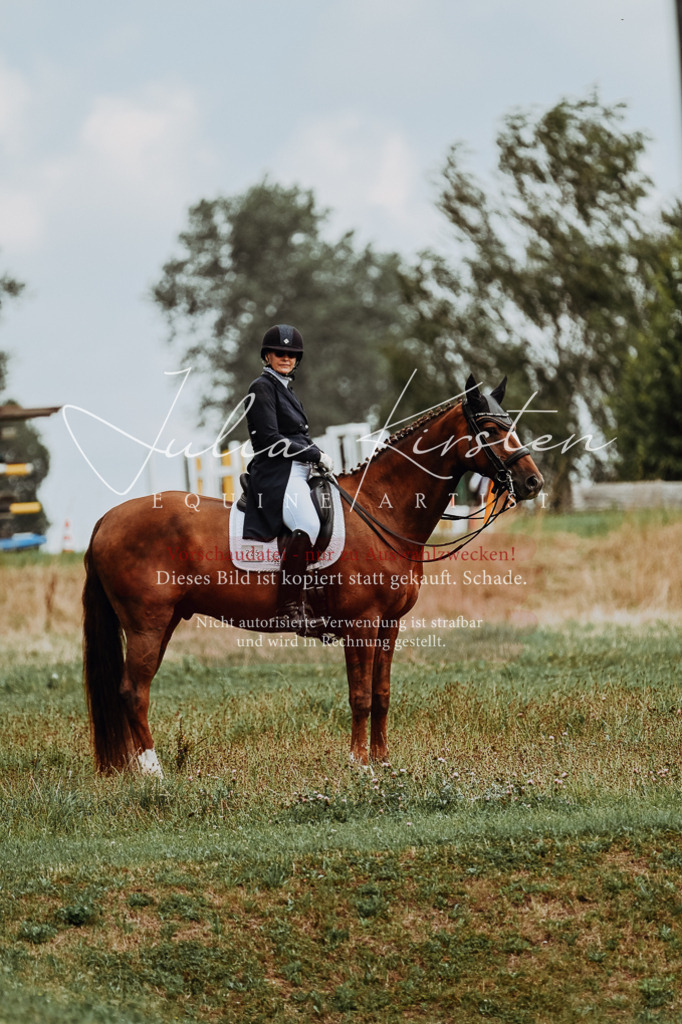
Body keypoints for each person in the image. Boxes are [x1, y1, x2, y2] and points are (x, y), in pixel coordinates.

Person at [243, 324, 334, 635]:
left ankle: (320, 598)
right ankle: (288, 608)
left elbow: (297, 435)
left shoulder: (285, 389)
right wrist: (315, 456)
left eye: (292, 354)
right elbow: (269, 440)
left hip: (298, 470)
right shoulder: (261, 388)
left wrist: (317, 456)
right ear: (267, 356)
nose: (286, 357)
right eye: (280, 353)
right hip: (276, 474)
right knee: (307, 524)